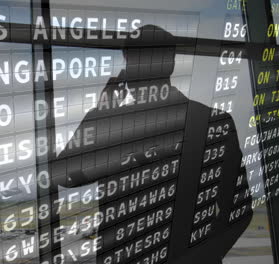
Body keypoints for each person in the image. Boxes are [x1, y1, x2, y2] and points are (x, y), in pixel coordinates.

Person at [47, 25, 252, 264]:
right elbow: (63, 176)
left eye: (136, 60)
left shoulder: (114, 125)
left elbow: (63, 176)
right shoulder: (212, 121)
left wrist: (101, 114)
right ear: (171, 63)